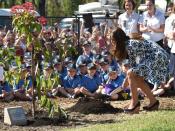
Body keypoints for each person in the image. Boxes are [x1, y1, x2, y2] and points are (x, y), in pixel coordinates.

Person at [110, 27, 169, 113]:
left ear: (117, 39)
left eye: (112, 39)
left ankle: (134, 104)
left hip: (157, 58)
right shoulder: (128, 43)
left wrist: (126, 82)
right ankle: (153, 102)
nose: (112, 42)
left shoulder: (130, 44)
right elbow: (134, 67)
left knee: (131, 73)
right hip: (155, 58)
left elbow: (133, 67)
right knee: (137, 78)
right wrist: (126, 81)